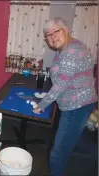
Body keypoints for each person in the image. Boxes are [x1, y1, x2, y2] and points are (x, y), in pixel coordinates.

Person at [33, 17, 98, 176]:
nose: (52, 36)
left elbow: (61, 84)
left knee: (58, 152)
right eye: (48, 34)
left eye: (56, 31)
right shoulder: (66, 48)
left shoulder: (71, 50)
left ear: (66, 30)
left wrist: (41, 105)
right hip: (78, 104)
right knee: (76, 140)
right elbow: (64, 75)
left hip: (76, 107)